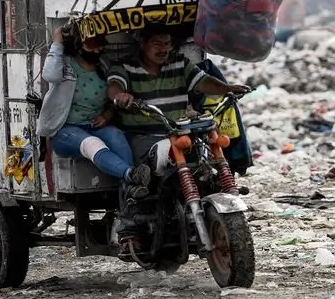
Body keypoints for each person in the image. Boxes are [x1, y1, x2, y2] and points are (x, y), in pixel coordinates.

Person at [106, 25, 249, 253]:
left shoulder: (180, 63)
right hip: (144, 137)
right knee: (152, 168)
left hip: (179, 134)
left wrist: (227, 88)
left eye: (167, 43)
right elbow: (115, 86)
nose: (163, 49)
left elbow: (204, 82)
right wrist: (120, 96)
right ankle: (129, 227)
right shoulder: (125, 66)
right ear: (142, 44)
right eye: (157, 44)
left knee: (204, 160)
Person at [36, 23, 152, 199]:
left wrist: (107, 115)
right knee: (92, 144)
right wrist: (58, 40)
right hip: (64, 130)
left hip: (95, 125)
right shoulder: (65, 64)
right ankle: (130, 175)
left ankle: (129, 190)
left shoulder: (104, 65)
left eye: (100, 44)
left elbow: (114, 96)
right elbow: (50, 75)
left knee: (117, 137)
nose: (97, 49)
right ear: (79, 44)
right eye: (92, 45)